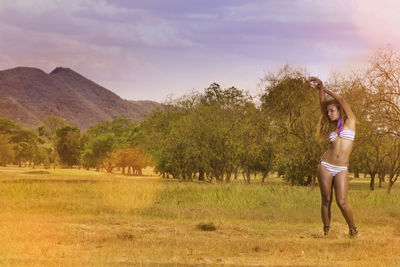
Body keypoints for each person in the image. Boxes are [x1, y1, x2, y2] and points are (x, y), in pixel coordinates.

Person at [309, 76, 358, 238]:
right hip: (326, 166)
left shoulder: (350, 121)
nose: (329, 114)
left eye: (332, 110)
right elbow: (322, 107)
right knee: (326, 200)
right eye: (328, 111)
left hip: (342, 168)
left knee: (342, 202)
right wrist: (320, 90)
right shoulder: (332, 125)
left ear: (340, 109)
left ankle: (353, 230)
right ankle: (327, 231)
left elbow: (342, 99)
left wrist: (326, 89)